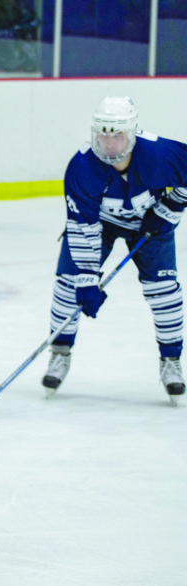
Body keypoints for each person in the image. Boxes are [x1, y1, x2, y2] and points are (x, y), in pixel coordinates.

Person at [42, 96, 186, 404]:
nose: (109, 143)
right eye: (103, 134)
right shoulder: (82, 166)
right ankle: (60, 352)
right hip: (100, 226)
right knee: (68, 286)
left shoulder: (161, 154)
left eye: (117, 135)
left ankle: (171, 361)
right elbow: (83, 228)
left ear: (132, 134)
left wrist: (170, 207)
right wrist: (86, 279)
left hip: (152, 224)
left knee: (164, 291)